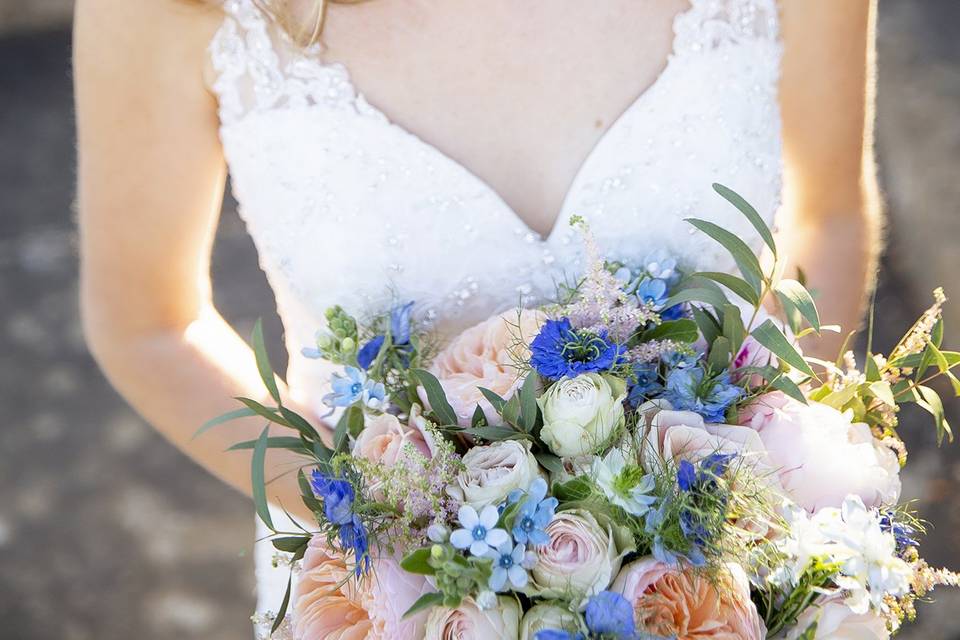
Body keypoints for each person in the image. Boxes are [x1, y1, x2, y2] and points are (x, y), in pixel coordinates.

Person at [74, 0, 880, 618]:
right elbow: (150, 324)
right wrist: (408, 550)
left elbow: (827, 218)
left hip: (720, 592)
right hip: (399, 602)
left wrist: (761, 483)